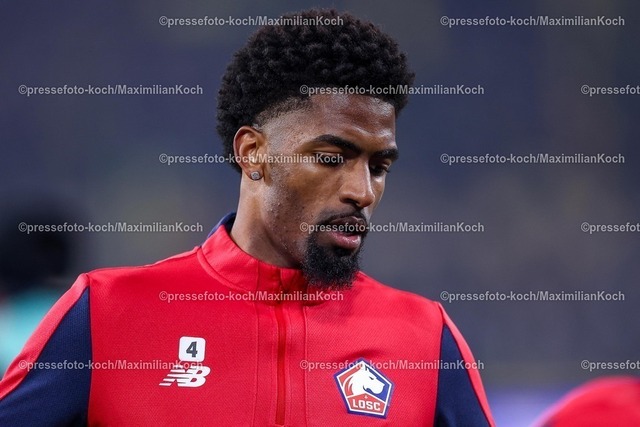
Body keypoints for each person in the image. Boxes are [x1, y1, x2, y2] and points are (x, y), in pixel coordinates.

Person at [0, 8, 494, 426]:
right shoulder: (107, 313)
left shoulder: (424, 338)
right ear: (253, 153)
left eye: (379, 167)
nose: (361, 192)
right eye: (331, 158)